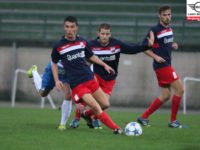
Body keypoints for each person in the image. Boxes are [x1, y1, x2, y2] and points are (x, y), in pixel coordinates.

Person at [70, 23, 155, 128]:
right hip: (95, 76)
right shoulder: (91, 45)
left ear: (110, 34)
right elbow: (79, 52)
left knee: (104, 104)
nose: (104, 36)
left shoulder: (116, 44)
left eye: (107, 34)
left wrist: (147, 45)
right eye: (102, 34)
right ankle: (76, 119)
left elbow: (133, 49)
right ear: (98, 34)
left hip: (110, 79)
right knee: (85, 97)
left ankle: (89, 116)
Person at [51, 16, 123, 134]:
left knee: (105, 104)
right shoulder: (58, 46)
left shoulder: (82, 41)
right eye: (67, 27)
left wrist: (104, 64)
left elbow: (91, 56)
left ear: (77, 28)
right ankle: (116, 128)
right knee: (95, 105)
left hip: (90, 78)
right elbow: (54, 63)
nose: (69, 30)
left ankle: (85, 114)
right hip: (78, 84)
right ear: (64, 28)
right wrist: (56, 80)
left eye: (72, 27)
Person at [137, 5, 184, 128]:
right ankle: (173, 121)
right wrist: (155, 57)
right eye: (165, 15)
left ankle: (143, 117)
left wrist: (173, 44)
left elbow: (164, 44)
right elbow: (144, 48)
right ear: (159, 16)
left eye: (169, 14)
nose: (167, 17)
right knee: (180, 89)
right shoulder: (154, 30)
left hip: (166, 65)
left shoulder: (169, 29)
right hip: (162, 66)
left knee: (166, 95)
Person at [27, 61, 72, 131]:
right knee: (43, 93)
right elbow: (54, 62)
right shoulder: (57, 50)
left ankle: (62, 124)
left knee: (68, 94)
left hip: (64, 74)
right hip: (52, 71)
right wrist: (56, 81)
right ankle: (34, 71)